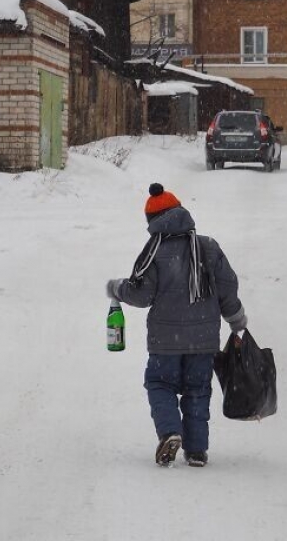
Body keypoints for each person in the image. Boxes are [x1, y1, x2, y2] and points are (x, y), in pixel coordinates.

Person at [106, 183, 247, 468]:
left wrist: (117, 288)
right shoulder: (208, 247)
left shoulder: (153, 252)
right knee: (198, 389)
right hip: (204, 338)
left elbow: (142, 294)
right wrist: (236, 321)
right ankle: (196, 451)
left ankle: (170, 432)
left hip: (165, 339)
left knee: (160, 383)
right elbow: (227, 289)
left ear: (152, 221)